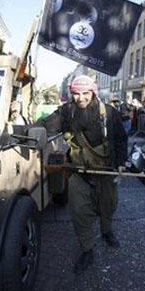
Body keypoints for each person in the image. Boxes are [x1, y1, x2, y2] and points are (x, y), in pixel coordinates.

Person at [38, 75, 128, 273]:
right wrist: (22, 130)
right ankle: (87, 249)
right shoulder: (66, 112)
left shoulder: (109, 112)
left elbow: (121, 139)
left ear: (93, 92)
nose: (81, 98)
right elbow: (45, 126)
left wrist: (120, 163)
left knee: (108, 205)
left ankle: (107, 231)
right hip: (78, 171)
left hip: (105, 170)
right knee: (79, 212)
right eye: (76, 94)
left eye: (85, 93)